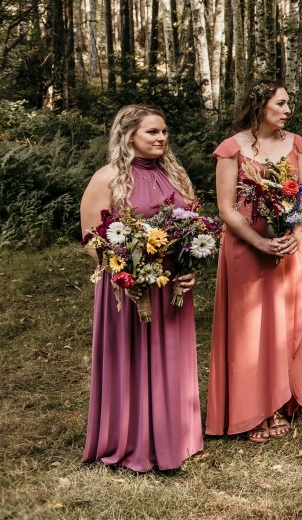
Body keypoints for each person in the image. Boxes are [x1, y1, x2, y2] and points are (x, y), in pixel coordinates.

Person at [79, 105, 202, 471]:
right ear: (128, 134)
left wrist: (191, 267)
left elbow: (191, 228)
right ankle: (130, 438)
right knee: (130, 359)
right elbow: (90, 236)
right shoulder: (107, 179)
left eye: (164, 131)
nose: (161, 138)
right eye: (152, 132)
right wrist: (123, 274)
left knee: (169, 357)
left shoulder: (177, 176)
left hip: (171, 285)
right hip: (126, 289)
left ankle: (175, 434)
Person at [206, 80, 302, 441]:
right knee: (249, 327)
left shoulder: (297, 145)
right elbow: (226, 207)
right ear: (260, 106)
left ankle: (283, 400)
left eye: (288, 104)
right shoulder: (230, 149)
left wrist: (295, 234)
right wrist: (258, 241)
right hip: (246, 246)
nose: (288, 110)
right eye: (281, 103)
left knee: (286, 322)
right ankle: (252, 410)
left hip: (287, 243)